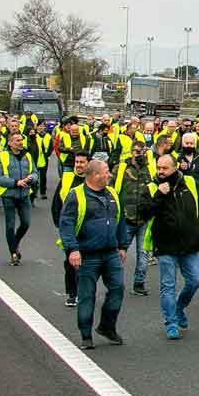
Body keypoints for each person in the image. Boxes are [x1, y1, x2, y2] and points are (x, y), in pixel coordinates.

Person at [58, 160, 129, 350]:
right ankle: (86, 335)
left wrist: (123, 245)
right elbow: (66, 225)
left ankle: (107, 326)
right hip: (87, 255)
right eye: (106, 172)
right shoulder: (76, 196)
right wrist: (72, 249)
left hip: (110, 253)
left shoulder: (112, 193)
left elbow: (120, 219)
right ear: (95, 175)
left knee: (117, 289)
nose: (109, 175)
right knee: (87, 295)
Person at [138, 154, 199, 339]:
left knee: (195, 280)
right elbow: (143, 212)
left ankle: (179, 307)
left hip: (190, 244)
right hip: (165, 245)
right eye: (158, 168)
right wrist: (159, 195)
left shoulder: (191, 183)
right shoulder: (152, 187)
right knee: (168, 285)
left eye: (165, 168)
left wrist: (198, 230)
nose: (160, 172)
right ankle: (171, 323)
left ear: (175, 167)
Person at [115, 139, 155, 296]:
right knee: (120, 253)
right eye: (137, 152)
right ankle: (115, 283)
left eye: (143, 152)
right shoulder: (121, 168)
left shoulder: (150, 169)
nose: (140, 155)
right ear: (131, 152)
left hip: (144, 219)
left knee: (143, 253)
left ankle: (139, 283)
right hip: (125, 218)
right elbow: (112, 189)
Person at [52, 151, 91, 306]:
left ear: (89, 164)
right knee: (70, 262)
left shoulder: (93, 180)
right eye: (76, 162)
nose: (79, 165)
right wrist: (60, 225)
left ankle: (84, 291)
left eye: (82, 162)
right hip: (70, 229)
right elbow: (56, 203)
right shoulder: (67, 178)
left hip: (88, 229)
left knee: (87, 263)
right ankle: (71, 293)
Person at [0, 133, 38, 266]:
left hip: (24, 195)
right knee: (10, 225)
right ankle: (13, 253)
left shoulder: (27, 156)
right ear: (10, 143)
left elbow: (35, 172)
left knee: (26, 223)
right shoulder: (2, 156)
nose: (20, 142)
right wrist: (15, 182)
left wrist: (31, 178)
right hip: (8, 195)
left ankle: (15, 242)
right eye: (17, 140)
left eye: (21, 140)